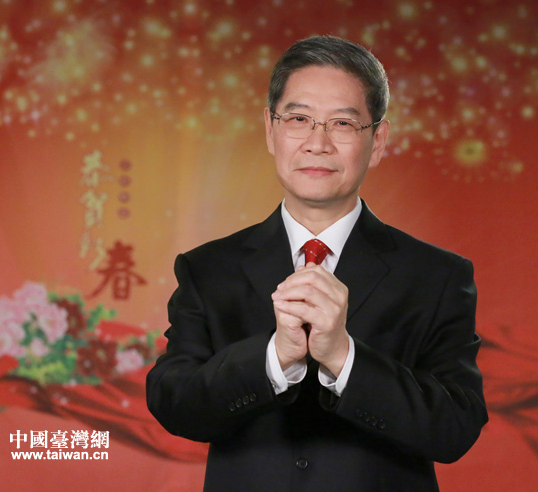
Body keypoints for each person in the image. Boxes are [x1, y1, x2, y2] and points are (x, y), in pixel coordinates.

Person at [146, 35, 488, 492]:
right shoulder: (208, 269)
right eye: (299, 119)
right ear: (270, 130)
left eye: (342, 123)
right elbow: (174, 404)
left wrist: (344, 356)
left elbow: (456, 428)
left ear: (378, 140)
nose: (317, 143)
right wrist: (274, 357)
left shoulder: (437, 276)